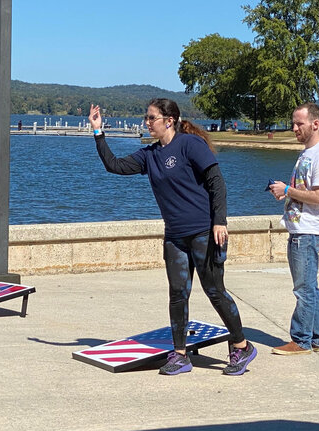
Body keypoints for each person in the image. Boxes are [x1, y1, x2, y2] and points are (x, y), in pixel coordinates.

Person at [88, 98, 257, 376]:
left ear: (169, 120)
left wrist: (219, 221)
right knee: (178, 294)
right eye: (146, 117)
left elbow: (217, 182)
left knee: (215, 290)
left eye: (151, 118)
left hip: (204, 232)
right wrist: (98, 132)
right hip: (175, 236)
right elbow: (114, 166)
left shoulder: (190, 145)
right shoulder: (149, 155)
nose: (146, 122)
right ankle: (180, 355)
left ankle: (241, 346)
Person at [269, 102, 319, 355]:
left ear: (315, 124)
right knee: (310, 286)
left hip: (308, 232)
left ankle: (301, 340)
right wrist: (285, 193)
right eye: (294, 123)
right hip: (301, 230)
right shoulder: (307, 153)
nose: (294, 128)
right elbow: (305, 192)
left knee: (303, 289)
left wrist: (287, 190)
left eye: (299, 123)